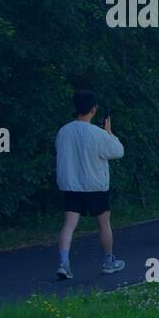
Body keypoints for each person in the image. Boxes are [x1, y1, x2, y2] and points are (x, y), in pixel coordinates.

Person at [56, 90, 125, 279]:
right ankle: (108, 261)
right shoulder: (98, 134)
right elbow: (118, 151)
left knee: (69, 224)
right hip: (95, 185)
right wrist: (109, 132)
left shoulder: (64, 131)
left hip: (71, 185)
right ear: (94, 109)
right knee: (104, 224)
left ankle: (64, 262)